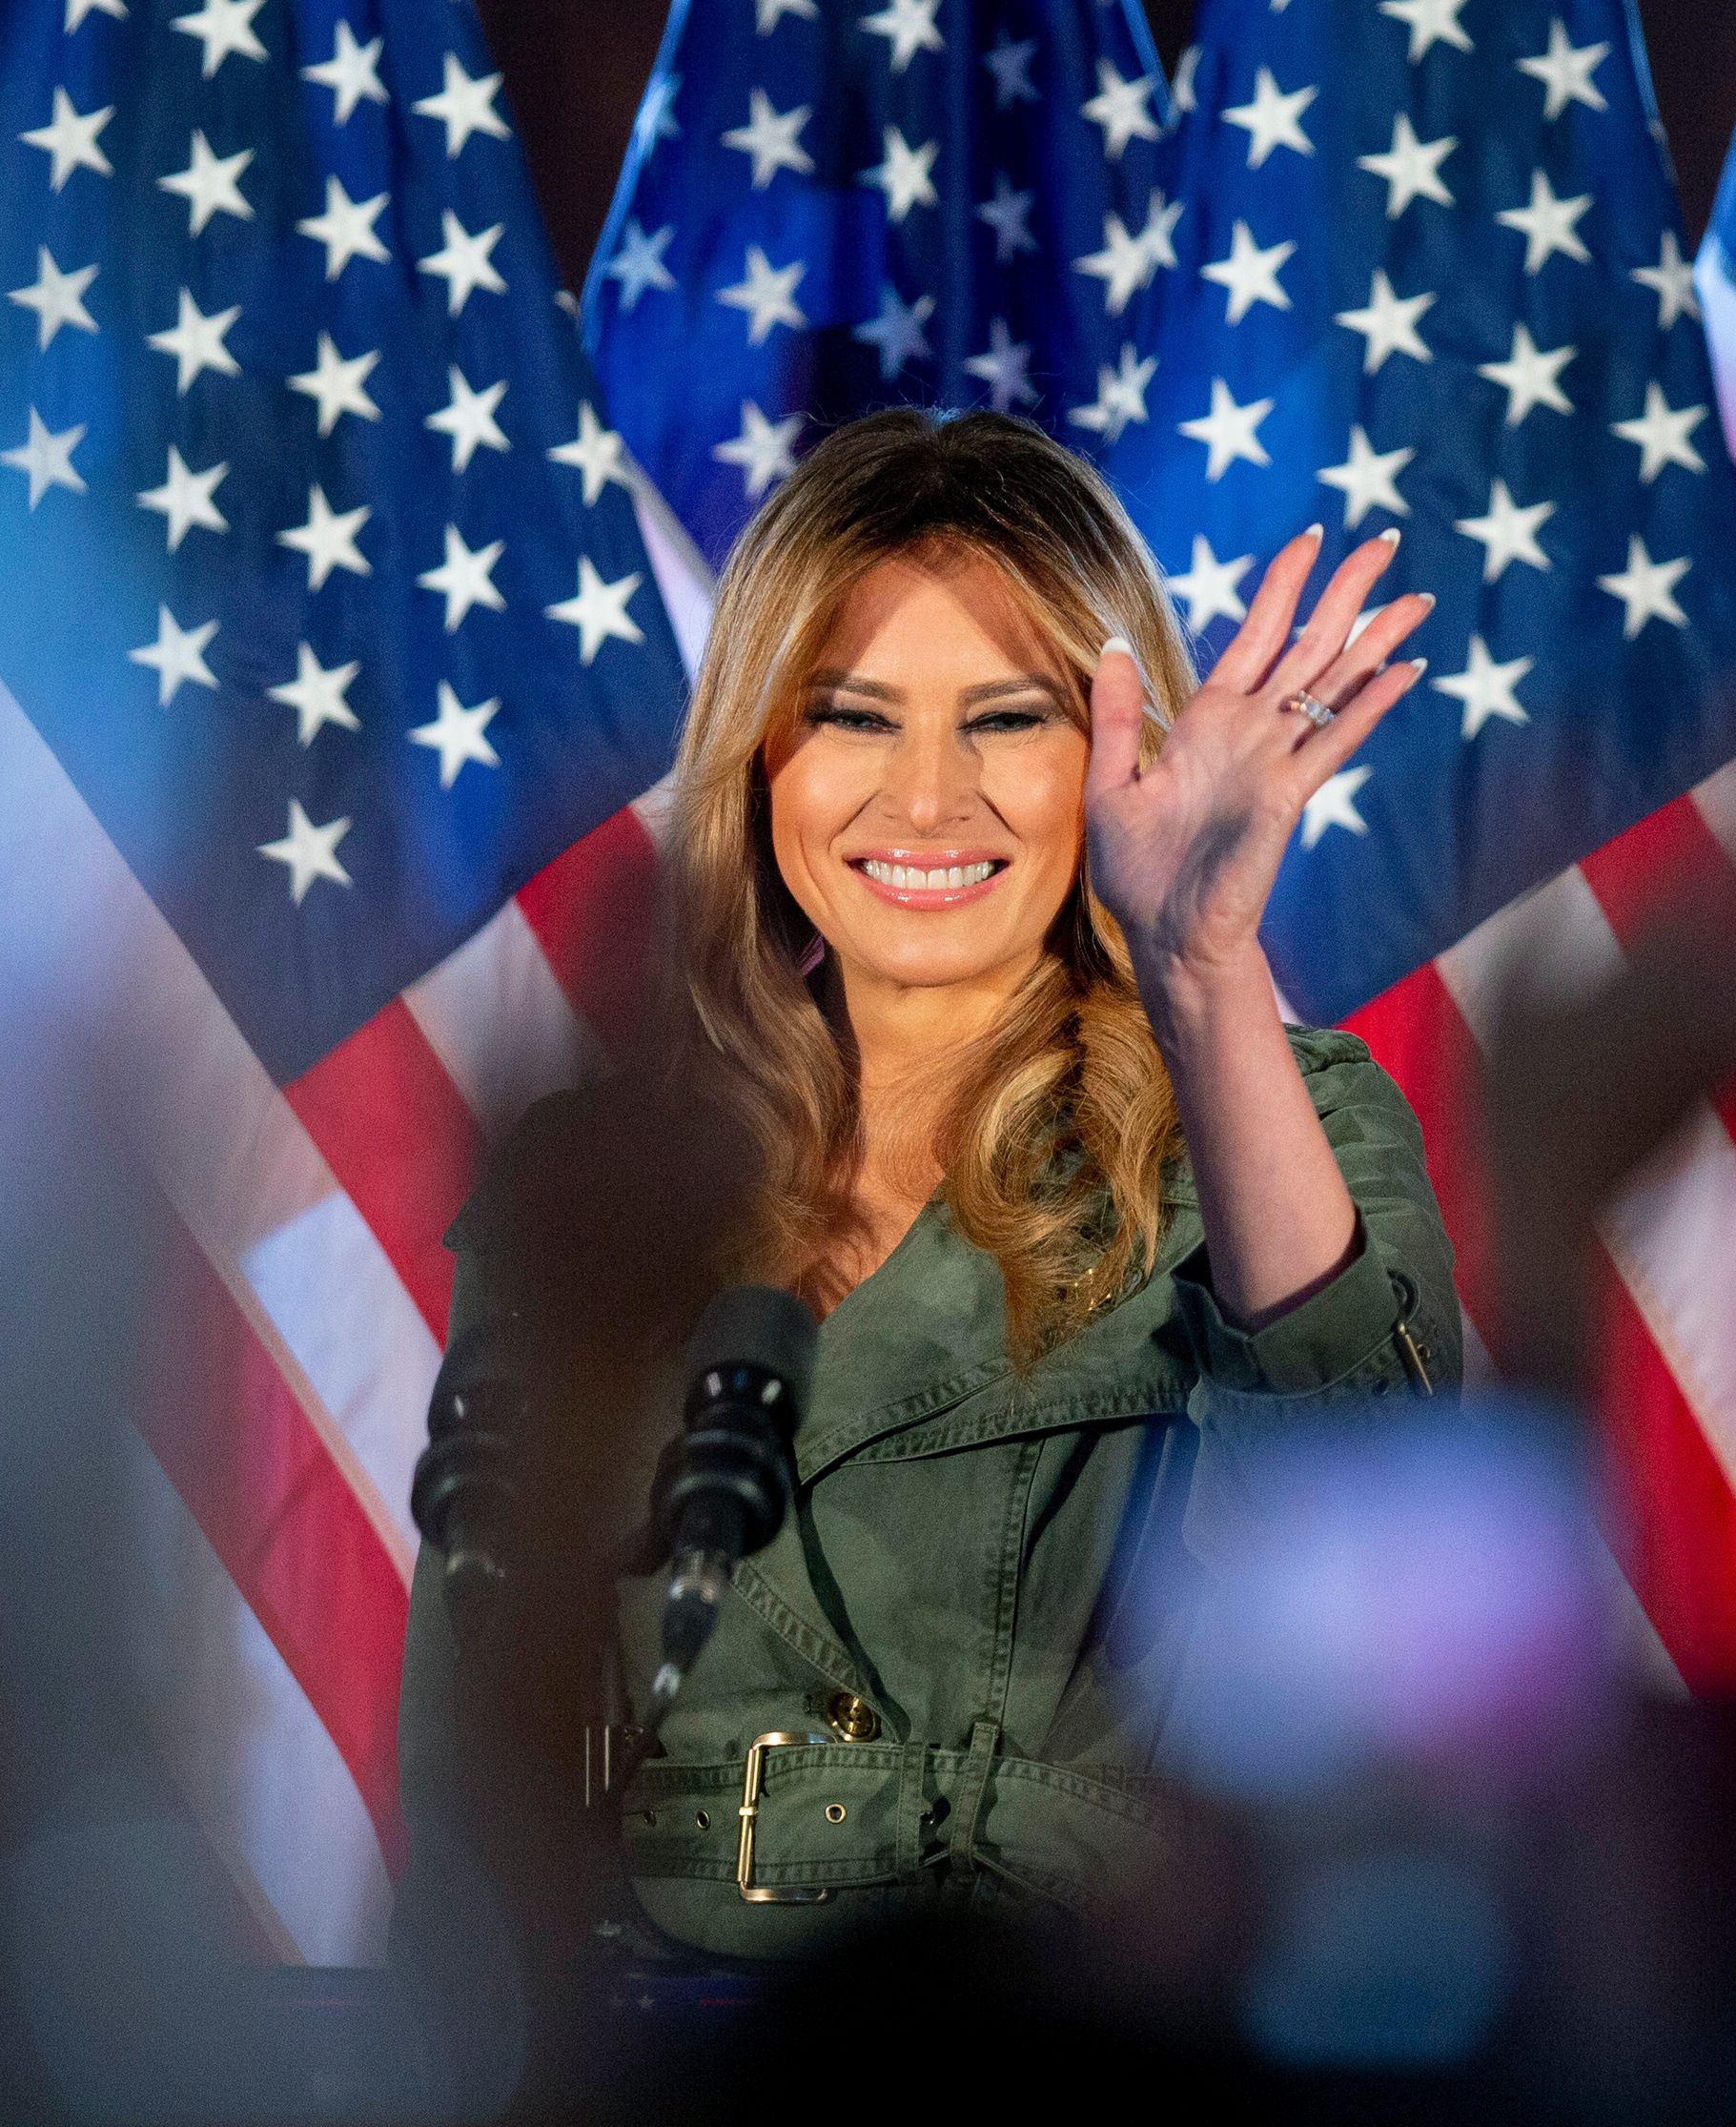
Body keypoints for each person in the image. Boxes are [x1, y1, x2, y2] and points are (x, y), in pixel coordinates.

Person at [398, 408, 1468, 1968]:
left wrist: (1201, 966)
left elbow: (1385, 1532)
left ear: (1119, 756)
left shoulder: (1267, 1126)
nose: (926, 799)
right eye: (853, 715)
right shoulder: (603, 1182)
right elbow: (477, 1740)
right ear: (762, 757)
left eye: (1008, 720)